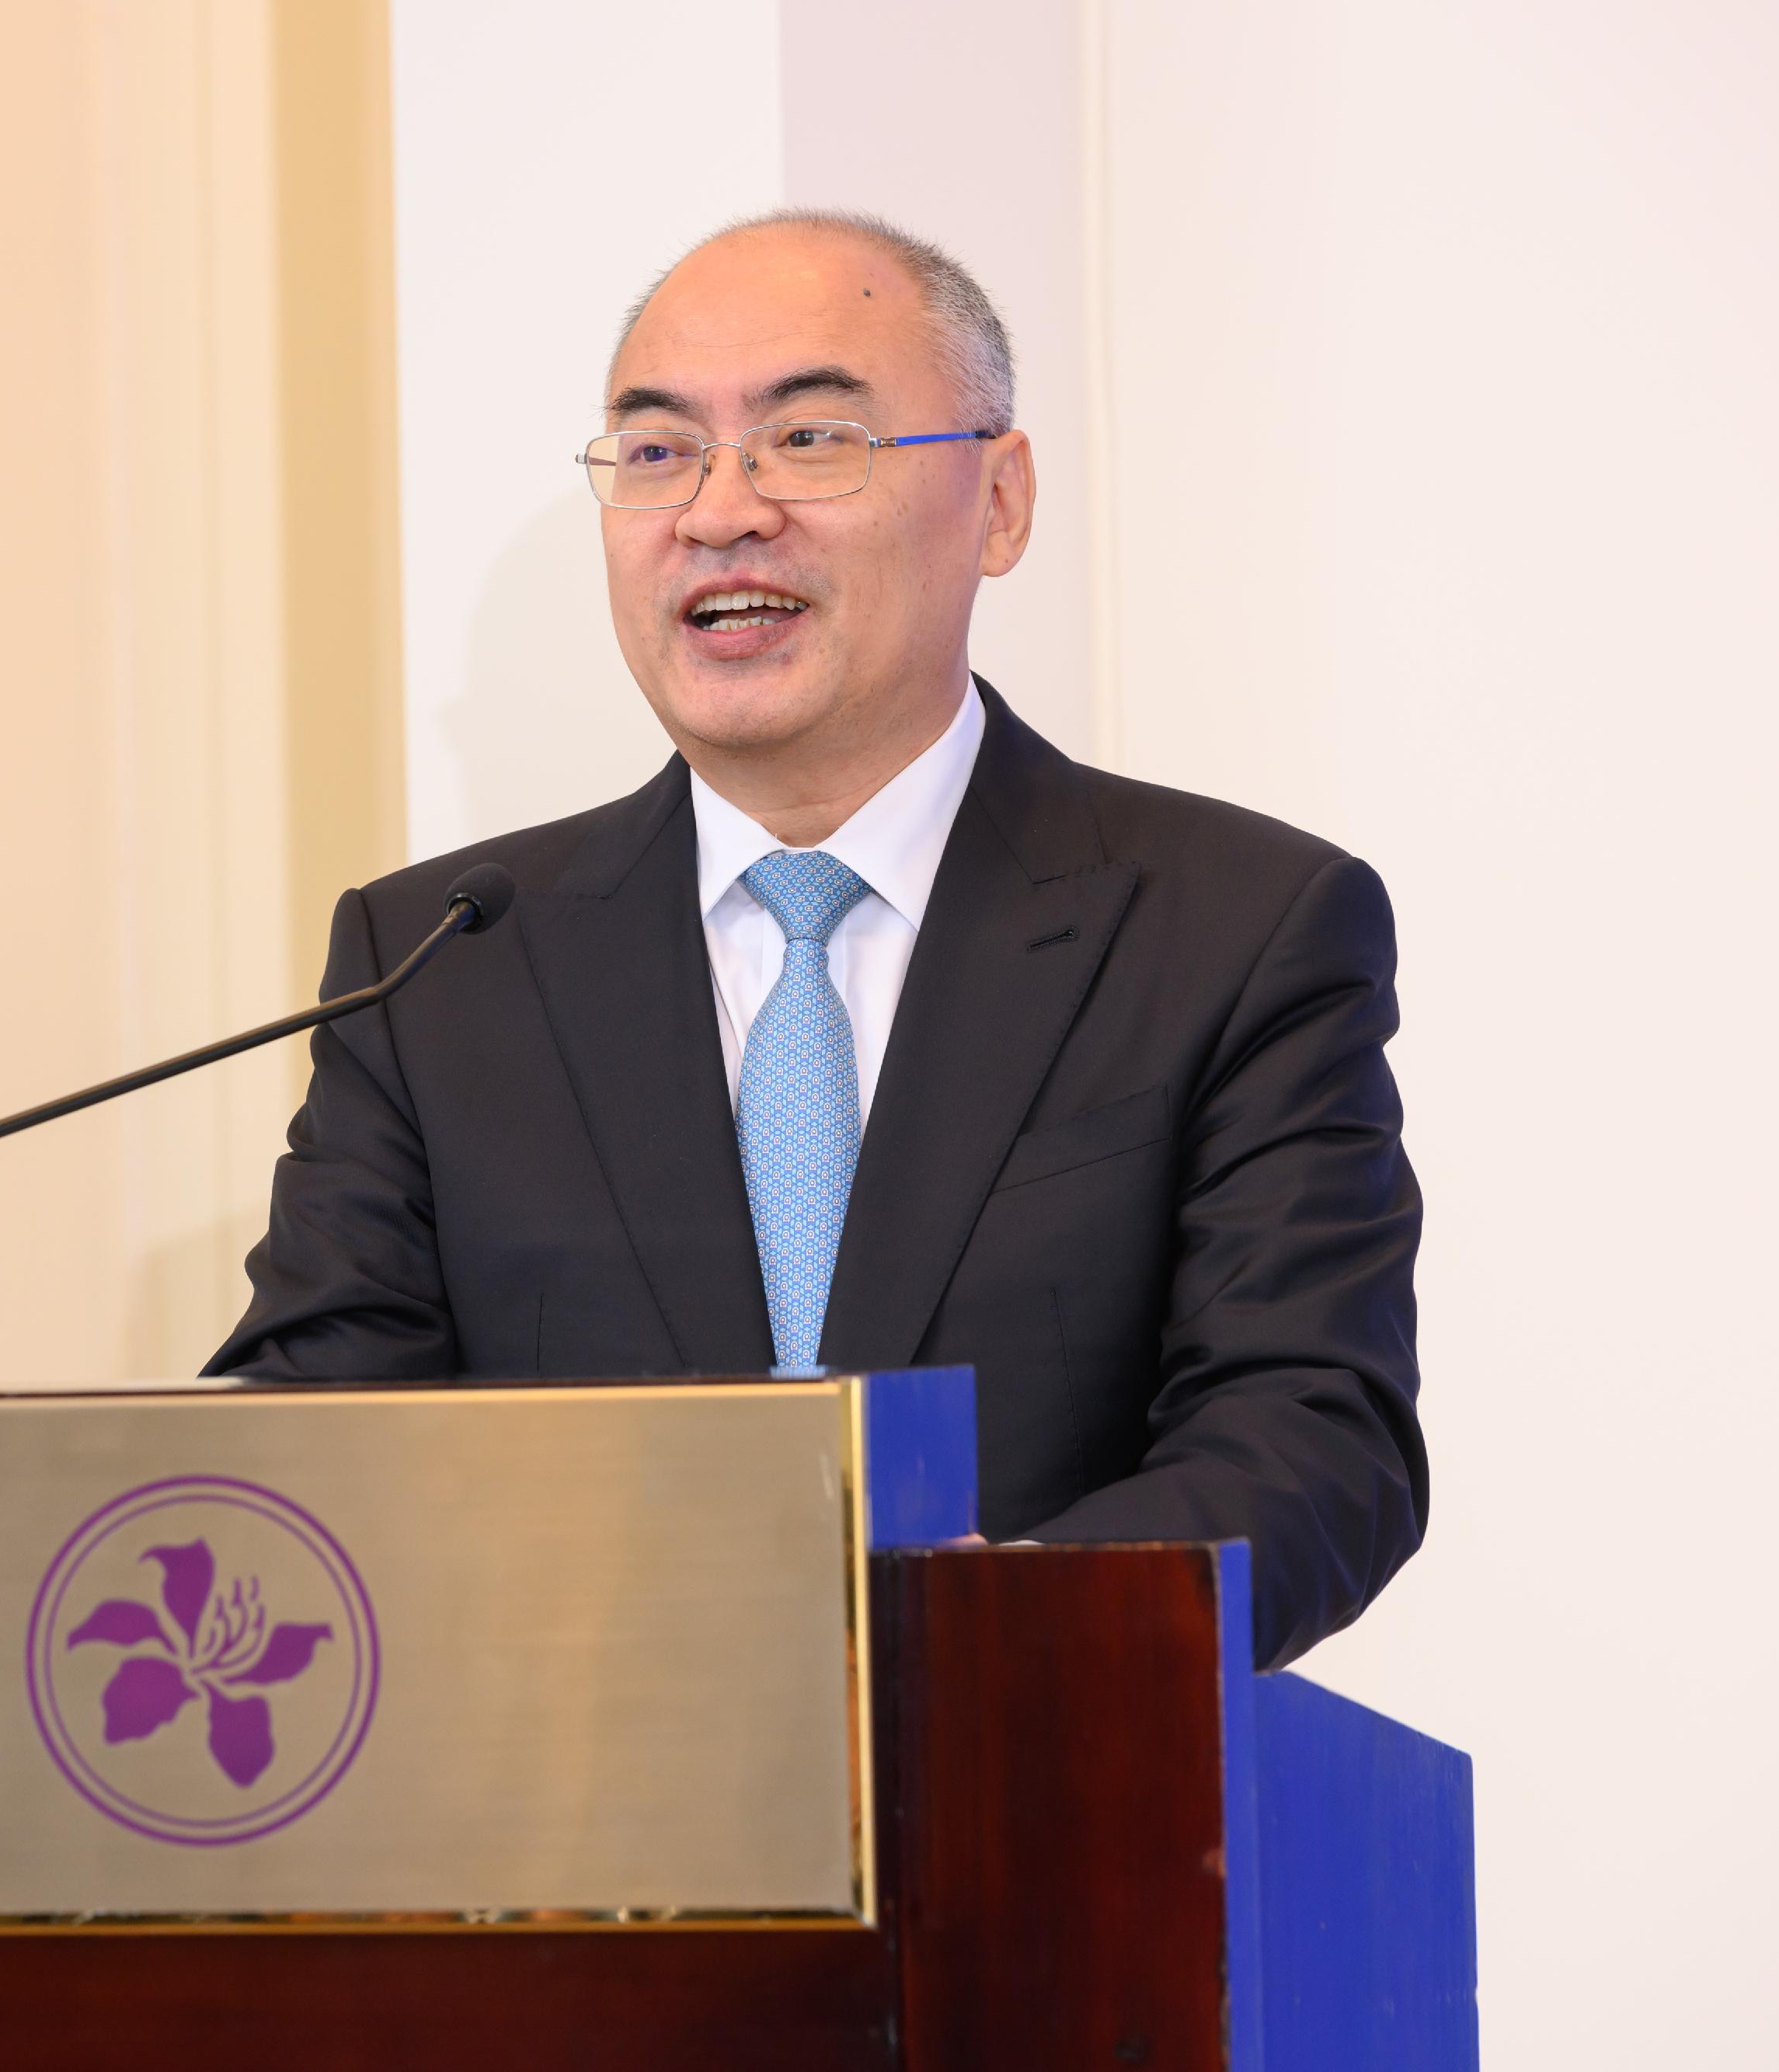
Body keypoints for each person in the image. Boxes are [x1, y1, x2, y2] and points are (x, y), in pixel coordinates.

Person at [207, 211, 1422, 1669]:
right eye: (658, 452)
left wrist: (992, 1633)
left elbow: (1312, 1438)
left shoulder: (1233, 928)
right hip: (577, 1848)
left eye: (811, 440)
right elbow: (310, 1454)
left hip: (1052, 1812)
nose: (720, 511)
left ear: (1000, 500)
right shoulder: (444, 964)